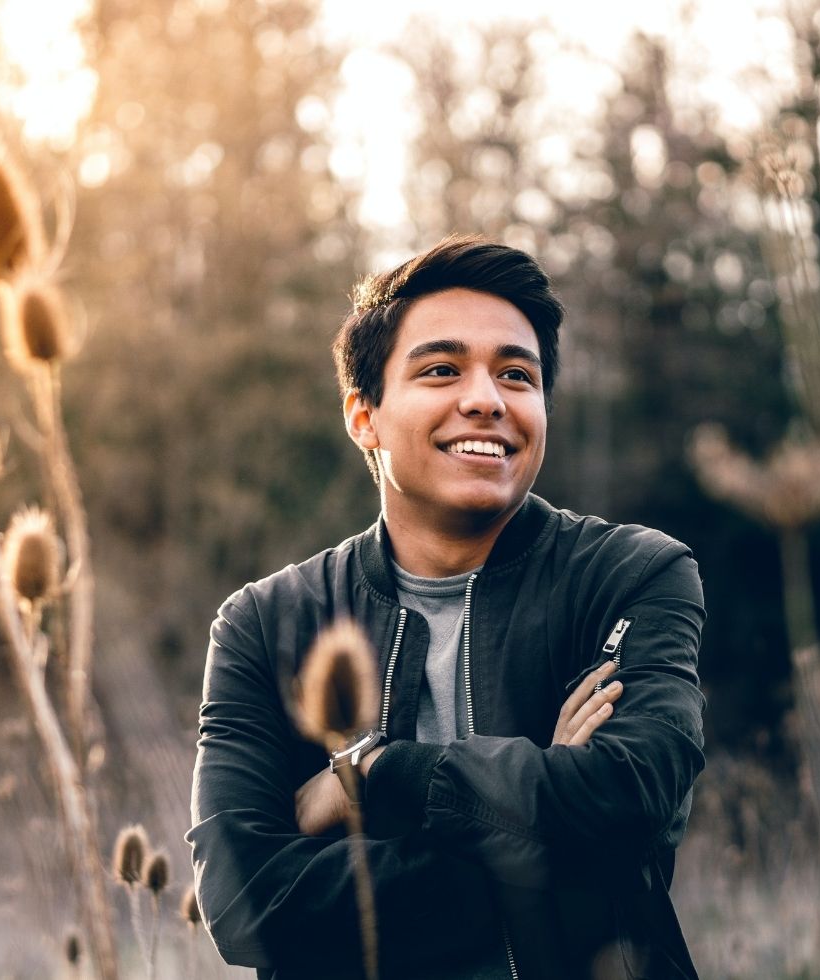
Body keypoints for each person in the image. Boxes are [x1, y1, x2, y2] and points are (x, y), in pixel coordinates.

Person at [187, 236, 706, 979]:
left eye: (516, 375)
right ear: (363, 416)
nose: (487, 399)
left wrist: (377, 774)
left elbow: (634, 796)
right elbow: (245, 908)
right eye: (441, 369)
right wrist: (544, 830)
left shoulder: (629, 574)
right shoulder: (267, 623)